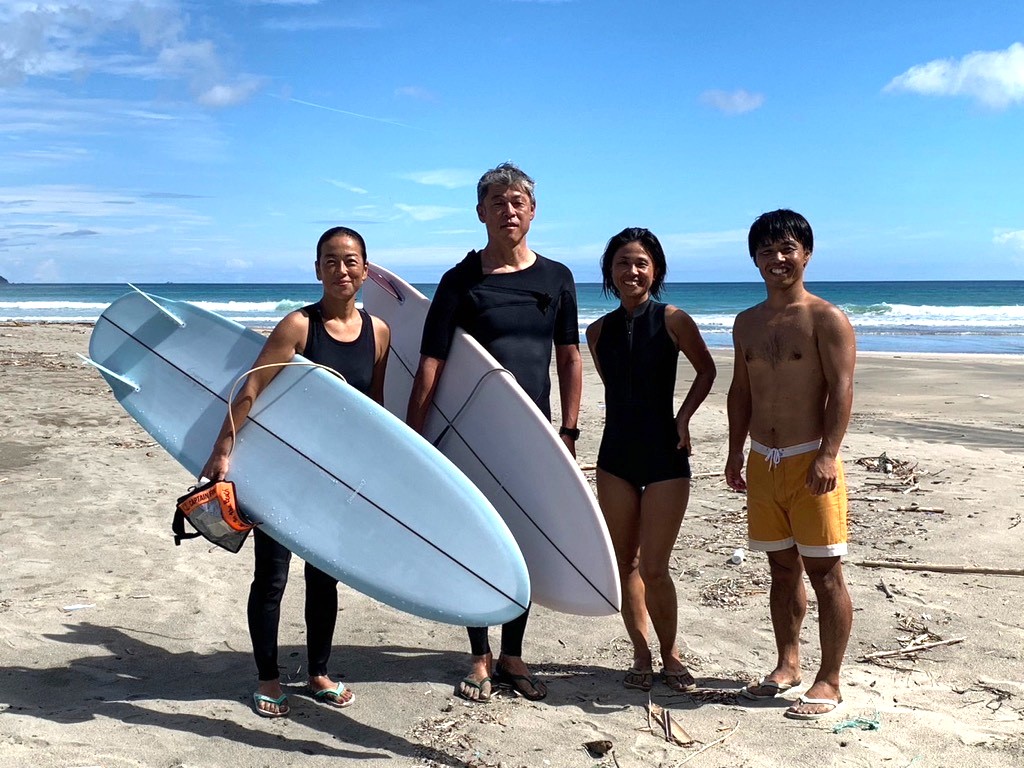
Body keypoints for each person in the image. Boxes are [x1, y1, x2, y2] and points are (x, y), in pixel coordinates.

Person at [407, 162, 582, 703]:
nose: (509, 211)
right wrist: (413, 434)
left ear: (532, 210)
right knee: (476, 537)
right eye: (498, 202)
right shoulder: (460, 280)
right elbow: (431, 360)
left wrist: (570, 431)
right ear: (481, 212)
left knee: (526, 542)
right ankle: (479, 655)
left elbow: (569, 357)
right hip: (473, 435)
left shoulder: (557, 278)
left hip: (534, 435)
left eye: (518, 202)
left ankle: (514, 653)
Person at [200, 226, 390, 718]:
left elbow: (374, 408)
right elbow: (252, 388)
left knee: (325, 576)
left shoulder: (380, 333)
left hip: (336, 475)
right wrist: (224, 447)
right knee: (272, 577)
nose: (341, 269)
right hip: (282, 471)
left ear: (365, 269)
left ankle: (319, 671)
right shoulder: (299, 326)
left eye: (351, 261)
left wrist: (376, 471)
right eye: (331, 260)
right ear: (317, 269)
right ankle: (267, 676)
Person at [724, 209, 856, 721]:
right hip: (763, 459)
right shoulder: (746, 322)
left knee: (825, 573)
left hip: (810, 463)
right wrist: (736, 450)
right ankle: (788, 664)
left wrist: (827, 454)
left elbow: (842, 389)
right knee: (781, 568)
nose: (778, 260)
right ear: (754, 258)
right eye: (767, 251)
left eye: (788, 249)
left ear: (806, 254)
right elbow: (741, 391)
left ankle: (829, 678)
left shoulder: (826, 318)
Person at [585, 227, 716, 694]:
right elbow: (615, 388)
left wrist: (683, 419)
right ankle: (640, 654)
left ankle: (670, 653)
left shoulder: (674, 319)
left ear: (655, 269)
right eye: (622, 262)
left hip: (666, 455)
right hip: (615, 456)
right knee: (625, 564)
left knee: (656, 567)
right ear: (610, 272)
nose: (631, 271)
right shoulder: (596, 331)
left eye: (641, 262)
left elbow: (707, 369)